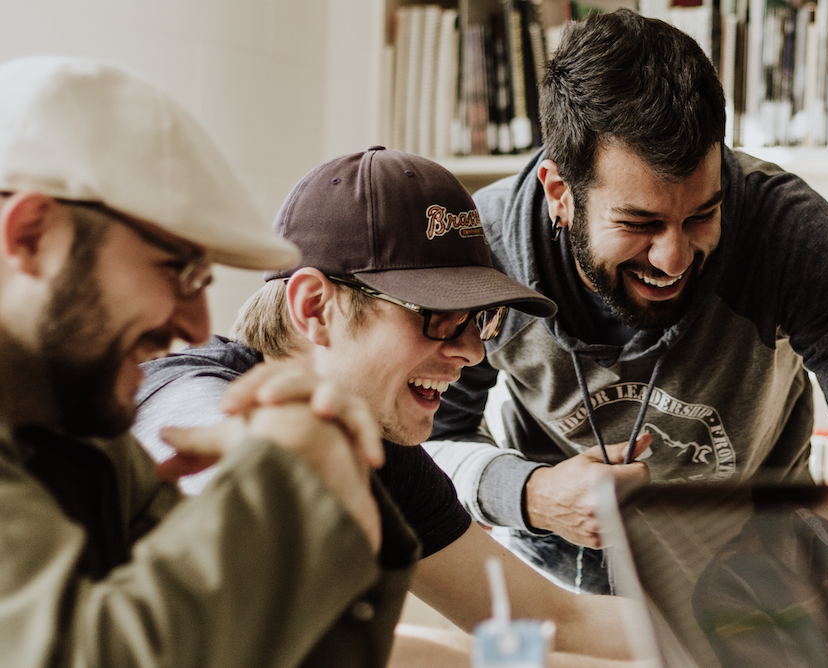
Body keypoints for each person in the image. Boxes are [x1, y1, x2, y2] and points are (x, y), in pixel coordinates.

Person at [424, 7, 828, 598]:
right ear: (559, 193)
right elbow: (424, 444)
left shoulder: (789, 233)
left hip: (763, 572)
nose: (674, 258)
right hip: (563, 580)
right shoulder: (486, 253)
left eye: (702, 215)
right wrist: (529, 494)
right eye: (640, 222)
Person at [134, 147, 655, 668]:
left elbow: (558, 622)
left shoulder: (376, 448)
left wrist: (720, 632)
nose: (473, 352)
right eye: (438, 315)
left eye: (480, 319)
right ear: (314, 307)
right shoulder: (188, 400)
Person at [0, 55, 420, 668]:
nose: (198, 325)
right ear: (33, 235)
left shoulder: (84, 431)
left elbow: (256, 646)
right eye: (180, 269)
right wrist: (290, 473)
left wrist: (337, 479)